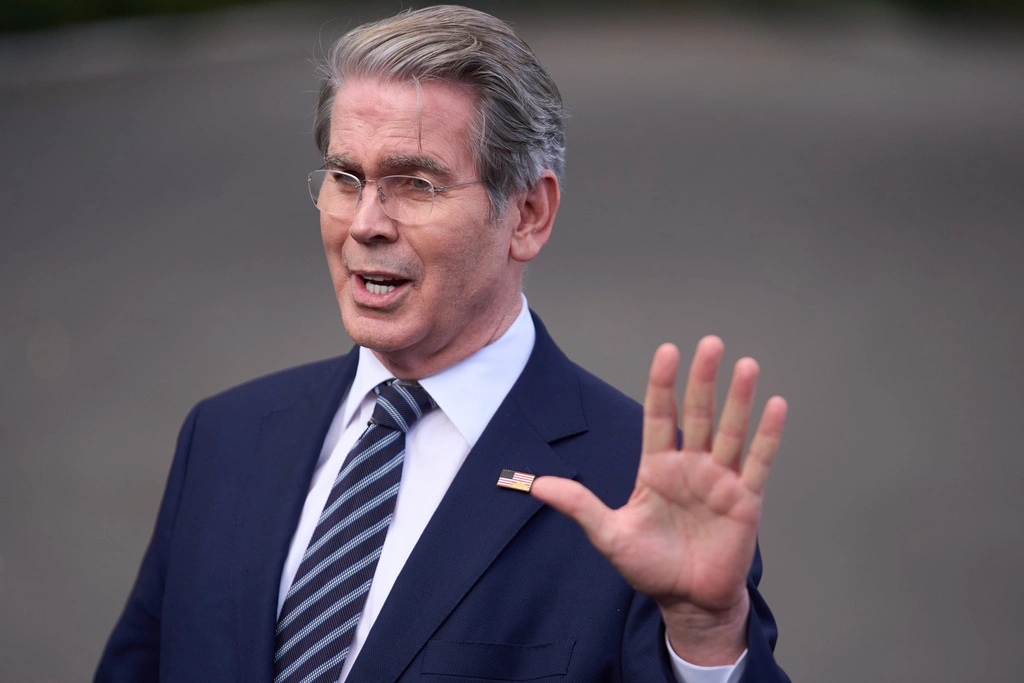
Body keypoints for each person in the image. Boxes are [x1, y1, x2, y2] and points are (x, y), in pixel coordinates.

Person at [96, 5, 790, 682]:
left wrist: (704, 636)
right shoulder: (223, 437)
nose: (365, 223)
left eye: (416, 184)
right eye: (345, 178)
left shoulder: (638, 485)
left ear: (528, 213)